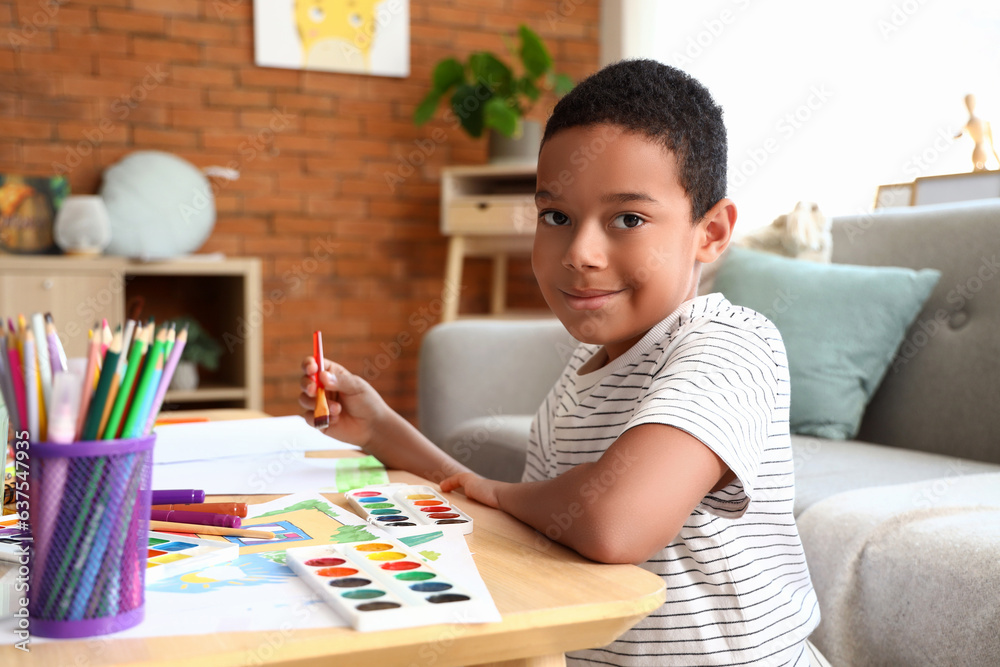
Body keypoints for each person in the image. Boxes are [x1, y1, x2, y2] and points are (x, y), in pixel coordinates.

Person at [300, 59, 825, 666]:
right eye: (556, 217)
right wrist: (381, 429)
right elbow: (532, 513)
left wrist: (499, 493)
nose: (579, 253)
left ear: (709, 232)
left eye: (628, 219)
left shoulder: (731, 344)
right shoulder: (584, 371)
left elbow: (613, 523)